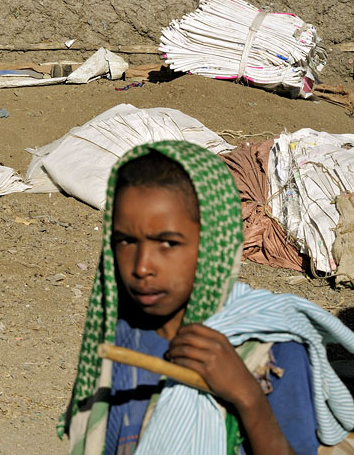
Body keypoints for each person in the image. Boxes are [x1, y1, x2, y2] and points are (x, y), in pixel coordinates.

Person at [60, 140, 354, 455]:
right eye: (126, 240)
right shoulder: (121, 331)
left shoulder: (270, 349)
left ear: (214, 243)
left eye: (168, 243)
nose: (142, 266)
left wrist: (248, 397)